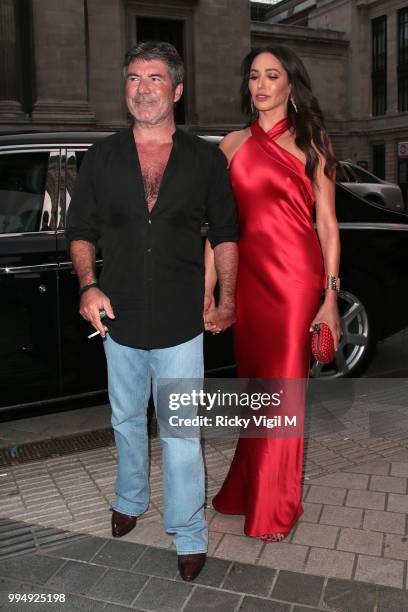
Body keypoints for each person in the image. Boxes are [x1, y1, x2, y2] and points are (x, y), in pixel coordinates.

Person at [66, 41, 238, 580]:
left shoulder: (205, 159)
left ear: (177, 91)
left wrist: (227, 298)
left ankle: (187, 531)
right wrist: (87, 285)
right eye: (135, 78)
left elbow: (227, 235)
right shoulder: (102, 157)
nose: (143, 87)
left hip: (181, 321)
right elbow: (80, 232)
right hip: (117, 319)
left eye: (156, 78)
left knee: (182, 430)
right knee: (123, 419)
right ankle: (130, 499)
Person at [205, 45, 340, 542]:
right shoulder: (231, 145)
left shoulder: (313, 142)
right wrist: (212, 290)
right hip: (249, 281)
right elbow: (217, 229)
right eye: (254, 77)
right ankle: (244, 490)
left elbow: (327, 226)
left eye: (272, 76)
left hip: (294, 280)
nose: (261, 85)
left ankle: (274, 507)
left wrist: (330, 296)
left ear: (291, 84)